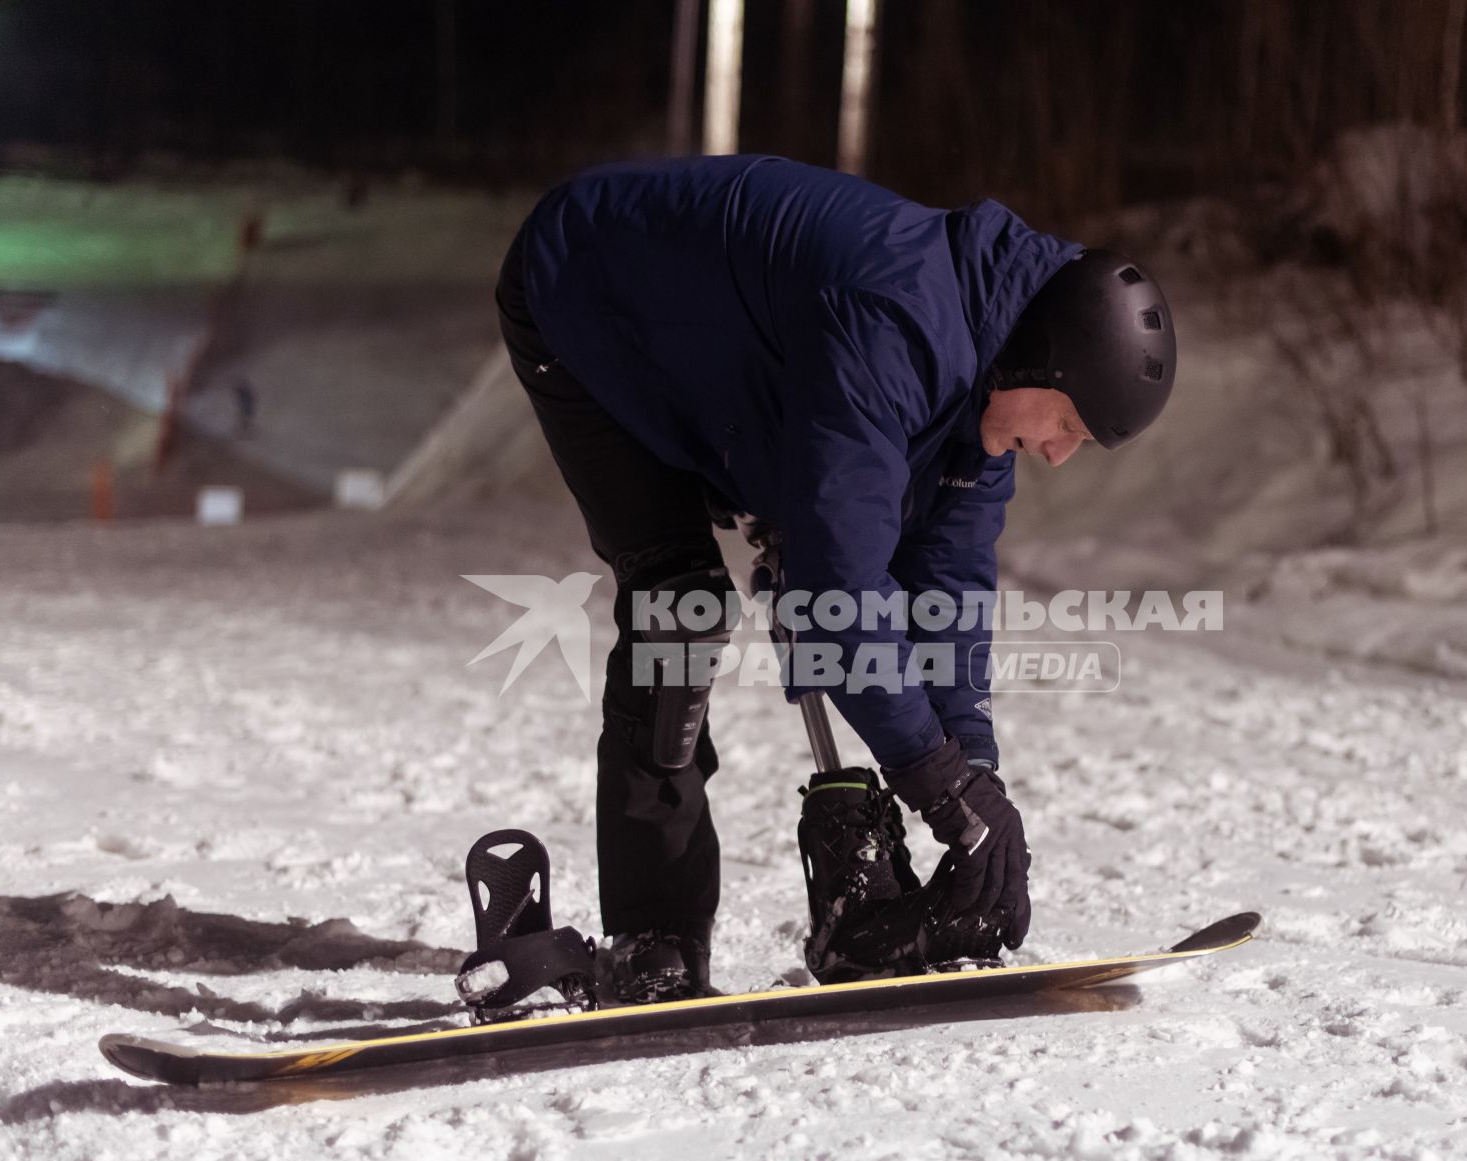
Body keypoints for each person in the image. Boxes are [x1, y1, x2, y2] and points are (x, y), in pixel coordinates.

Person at [495, 155, 1175, 1003]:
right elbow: (836, 598)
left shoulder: (984, 393)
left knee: (816, 555)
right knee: (680, 607)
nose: (1058, 452)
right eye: (1068, 424)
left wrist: (975, 775)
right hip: (588, 292)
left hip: (729, 348)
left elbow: (946, 592)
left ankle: (854, 903)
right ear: (1042, 359)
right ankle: (655, 931)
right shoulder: (894, 319)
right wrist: (934, 781)